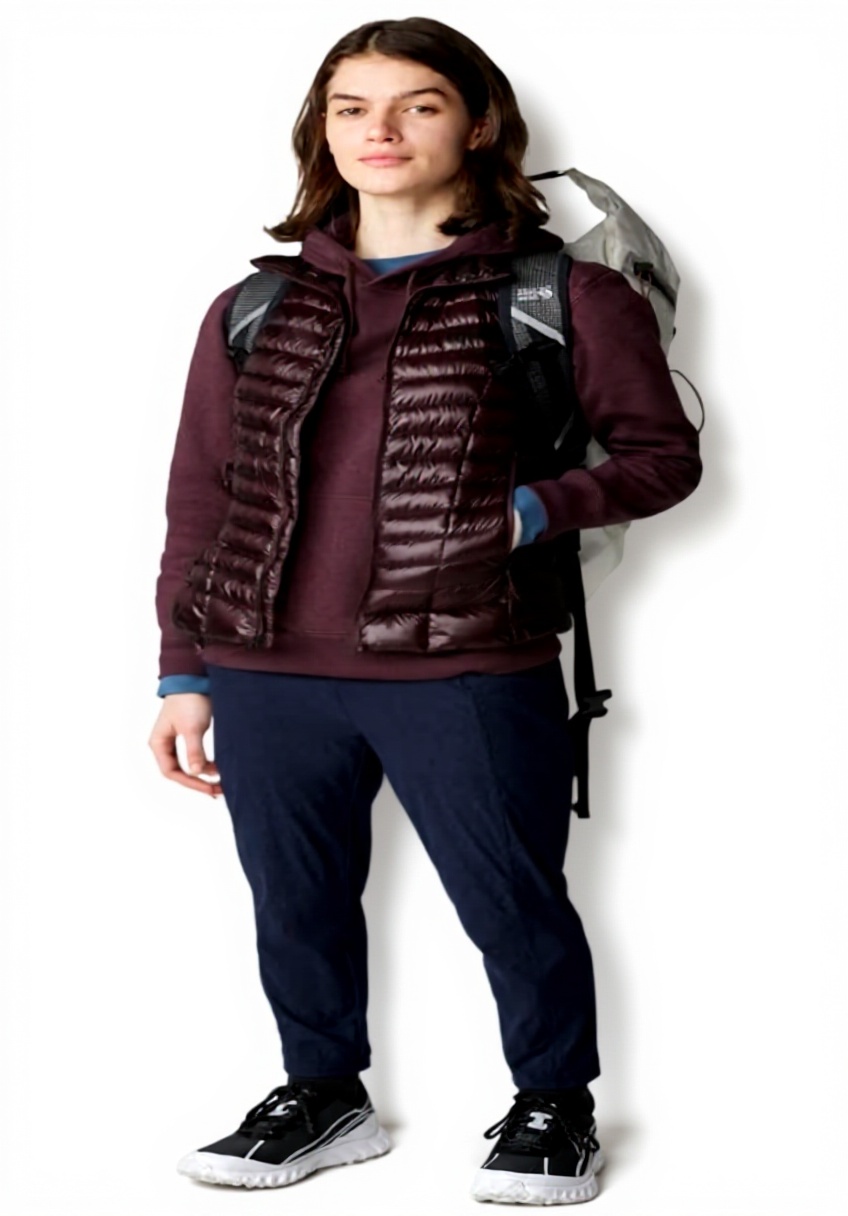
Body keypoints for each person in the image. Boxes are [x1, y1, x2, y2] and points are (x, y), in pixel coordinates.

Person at [149, 15, 702, 1205]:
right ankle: (322, 1094)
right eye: (351, 108)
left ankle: (553, 1104)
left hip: (465, 658)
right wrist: (181, 669)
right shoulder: (252, 306)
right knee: (293, 904)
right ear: (321, 132)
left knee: (512, 900)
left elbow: (661, 459)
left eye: (418, 104)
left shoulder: (562, 293)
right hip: (263, 665)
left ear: (479, 124)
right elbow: (202, 494)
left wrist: (530, 511)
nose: (381, 130)